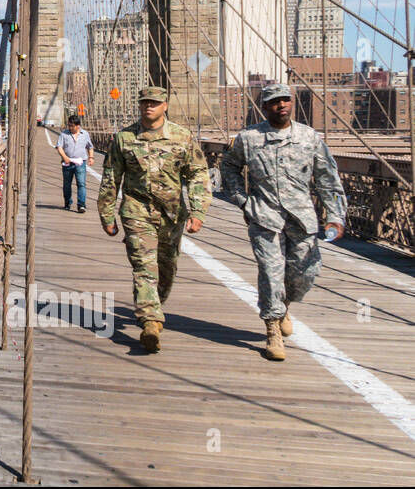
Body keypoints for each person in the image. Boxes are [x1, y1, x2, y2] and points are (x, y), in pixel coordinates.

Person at [219, 83, 346, 362]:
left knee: (304, 274)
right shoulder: (249, 138)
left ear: (292, 103)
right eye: (275, 101)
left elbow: (327, 179)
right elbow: (228, 166)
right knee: (270, 271)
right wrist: (242, 200)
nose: (281, 105)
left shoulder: (309, 137)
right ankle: (273, 330)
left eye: (286, 100)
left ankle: (285, 305)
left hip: (302, 217)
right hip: (264, 216)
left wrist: (335, 216)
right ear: (265, 107)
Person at [97, 86, 211, 352]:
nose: (149, 106)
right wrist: (107, 214)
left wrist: (198, 211)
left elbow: (197, 174)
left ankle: (155, 305)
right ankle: (149, 320)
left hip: (172, 215)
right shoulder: (124, 138)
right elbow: (111, 178)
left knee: (167, 268)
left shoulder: (182, 137)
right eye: (145, 102)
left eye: (155, 103)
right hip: (137, 212)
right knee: (143, 265)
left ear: (165, 106)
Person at [56, 114, 95, 212]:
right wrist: (64, 157)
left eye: (72, 125)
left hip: (80, 163)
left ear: (78, 126)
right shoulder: (64, 134)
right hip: (67, 163)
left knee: (81, 184)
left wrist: (91, 157)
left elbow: (90, 146)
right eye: (69, 125)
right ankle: (67, 202)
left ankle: (81, 205)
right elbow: (59, 147)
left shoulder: (85, 134)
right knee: (67, 184)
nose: (70, 127)